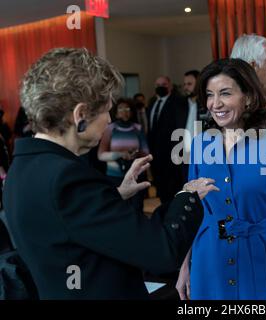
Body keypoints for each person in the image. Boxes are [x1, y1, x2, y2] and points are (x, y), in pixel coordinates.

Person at [2, 48, 218, 299]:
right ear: (80, 115)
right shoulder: (67, 178)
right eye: (106, 110)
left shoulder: (22, 167)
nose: (108, 120)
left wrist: (113, 196)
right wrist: (187, 195)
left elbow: (69, 225)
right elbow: (161, 252)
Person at [176, 59, 266, 300]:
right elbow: (191, 210)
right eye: (210, 95)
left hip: (259, 256)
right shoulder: (200, 146)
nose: (215, 103)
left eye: (225, 93)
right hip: (208, 258)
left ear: (248, 97)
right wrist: (184, 266)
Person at [98, 98, 149, 213]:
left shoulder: (137, 128)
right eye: (121, 108)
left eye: (127, 108)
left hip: (135, 175)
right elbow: (101, 155)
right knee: (117, 209)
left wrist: (134, 154)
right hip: (114, 176)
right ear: (115, 111)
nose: (124, 111)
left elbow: (146, 152)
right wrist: (120, 154)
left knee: (137, 208)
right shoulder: (110, 128)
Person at [146, 76, 189, 204]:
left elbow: (180, 127)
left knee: (173, 188)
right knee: (161, 188)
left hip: (172, 153)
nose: (161, 87)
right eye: (158, 84)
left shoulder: (178, 102)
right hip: (155, 154)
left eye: (164, 84)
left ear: (170, 86)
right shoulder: (152, 102)